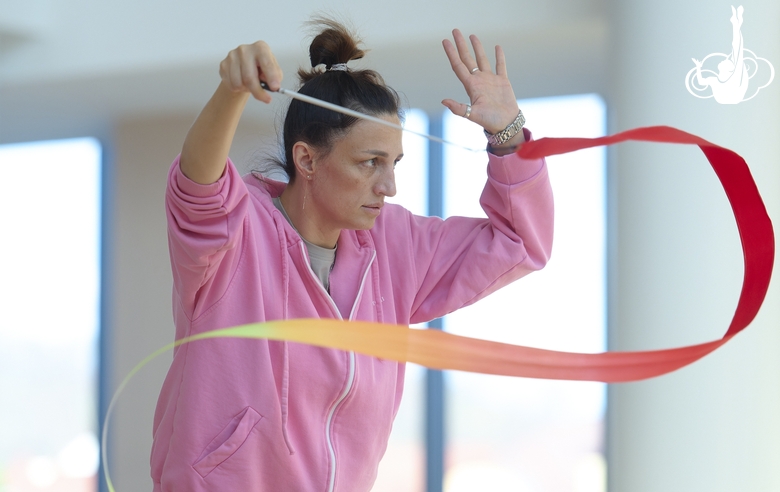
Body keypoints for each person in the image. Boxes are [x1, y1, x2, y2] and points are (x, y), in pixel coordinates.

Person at [152, 18, 553, 492]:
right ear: (307, 160)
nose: (389, 186)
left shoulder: (395, 244)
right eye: (370, 163)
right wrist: (231, 91)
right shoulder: (235, 233)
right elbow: (198, 189)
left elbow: (519, 244)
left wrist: (507, 136)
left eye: (394, 162)